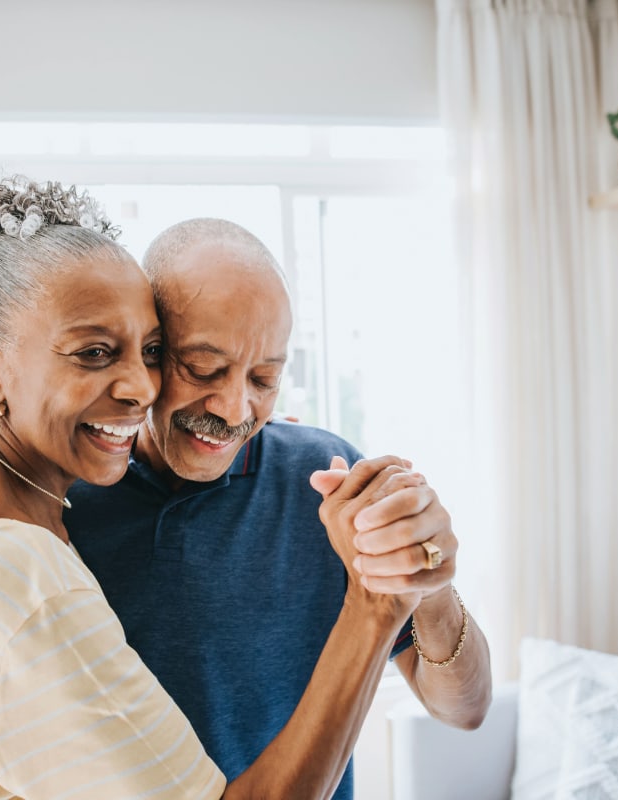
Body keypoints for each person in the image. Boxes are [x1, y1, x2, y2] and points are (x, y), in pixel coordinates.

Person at [0, 175, 431, 800]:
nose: (141, 389)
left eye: (150, 351)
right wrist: (375, 606)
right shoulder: (33, 587)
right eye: (94, 352)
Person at [63, 218, 493, 799]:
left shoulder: (327, 478)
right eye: (204, 369)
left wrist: (431, 586)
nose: (235, 406)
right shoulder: (62, 501)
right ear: (148, 349)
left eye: (265, 377)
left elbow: (464, 711)